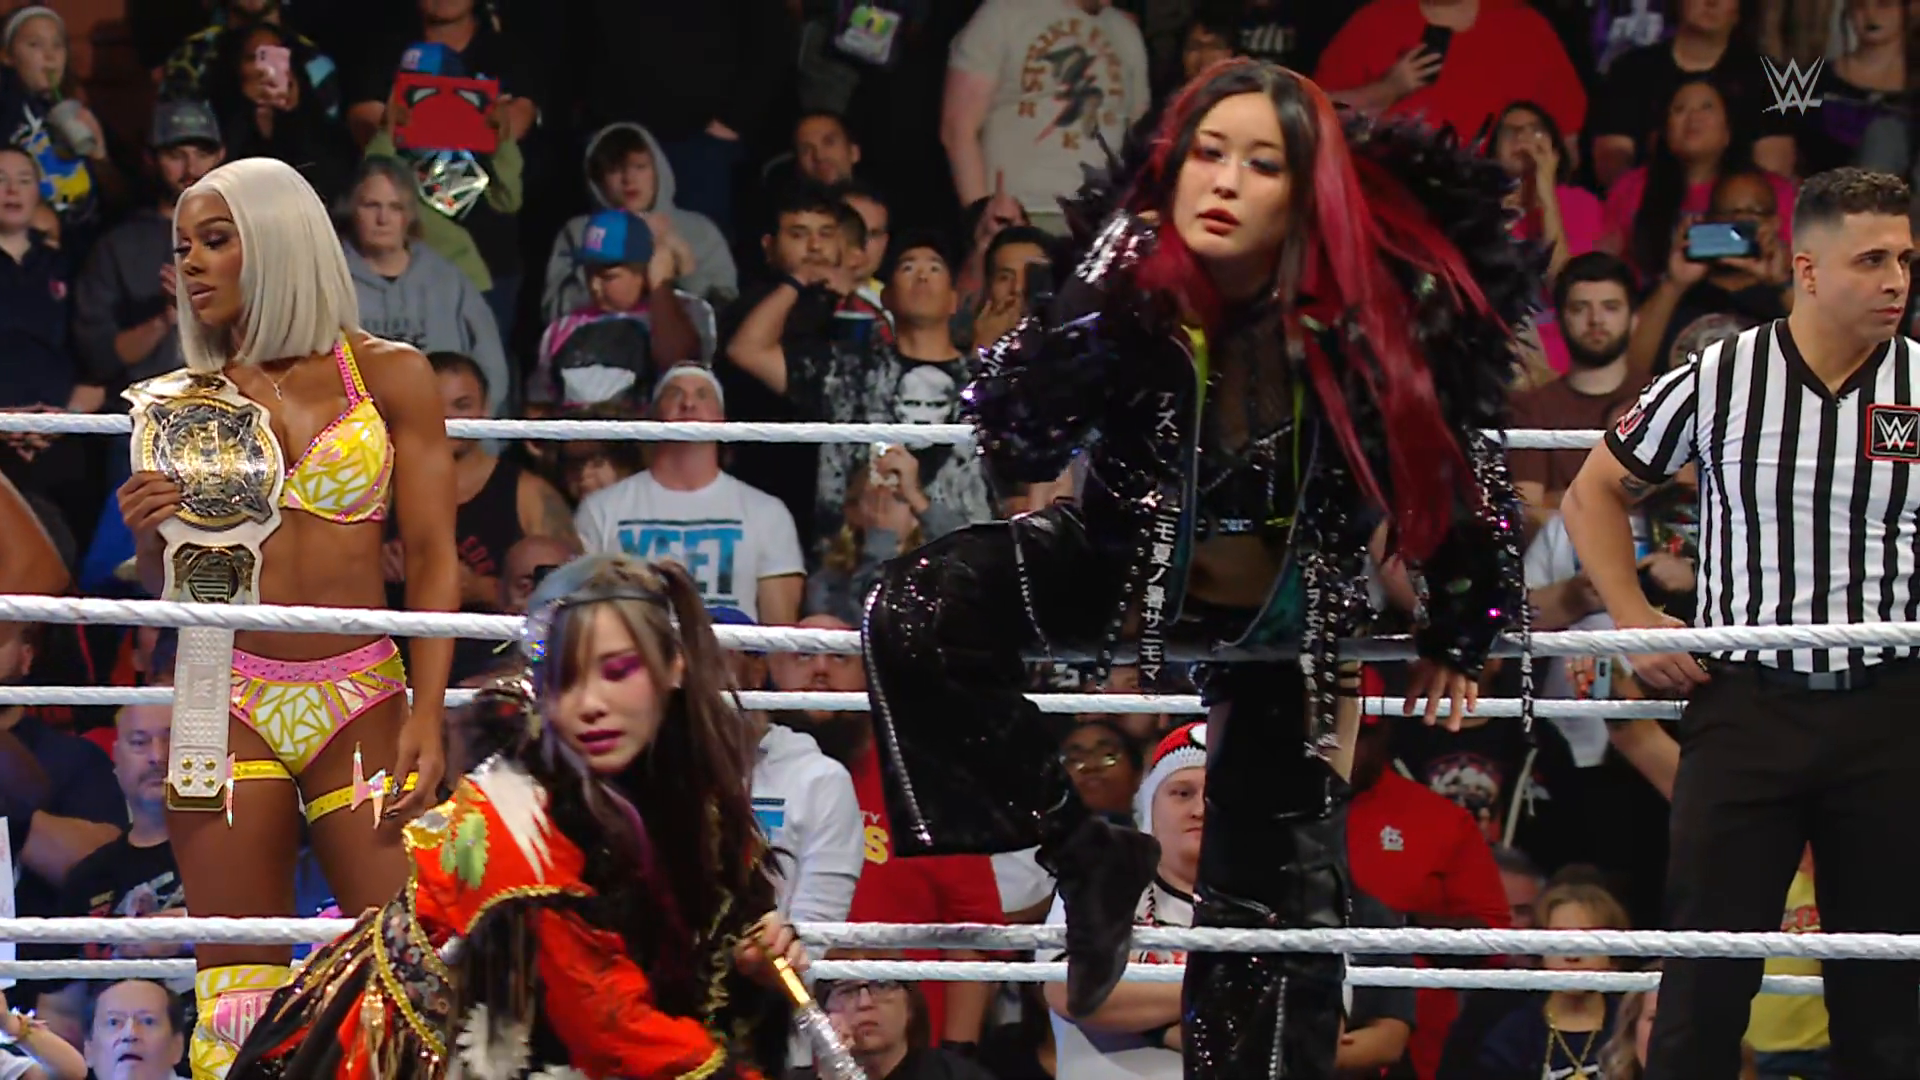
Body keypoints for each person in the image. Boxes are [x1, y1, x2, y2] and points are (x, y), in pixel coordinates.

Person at [861, 58, 1535, 1080]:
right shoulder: (1133, 287)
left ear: (1307, 191)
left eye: (1262, 163)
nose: (1224, 181)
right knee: (913, 608)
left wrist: (1462, 620)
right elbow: (1017, 438)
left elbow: (1458, 455)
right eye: (1207, 153)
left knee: (1271, 918)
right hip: (1118, 564)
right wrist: (1092, 285)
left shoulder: (1376, 316)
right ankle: (1084, 851)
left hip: (1288, 616)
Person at [1561, 166, 1920, 1080]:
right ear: (1807, 269)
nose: (1896, 282)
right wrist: (1636, 620)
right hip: (1747, 705)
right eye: (1872, 260)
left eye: (1906, 260)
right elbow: (1592, 492)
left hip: (1890, 708)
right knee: (1703, 987)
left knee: (1886, 999)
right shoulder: (1721, 375)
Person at [111, 157, 460, 1079]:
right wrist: (147, 536)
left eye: (214, 241)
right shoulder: (182, 402)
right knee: (235, 992)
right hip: (218, 689)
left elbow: (433, 556)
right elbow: (173, 588)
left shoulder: (392, 375)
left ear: (276, 241)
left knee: (408, 977)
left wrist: (429, 711)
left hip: (361, 689)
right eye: (182, 247)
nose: (191, 263)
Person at [229, 554, 804, 1079]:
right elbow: (606, 1027)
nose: (590, 704)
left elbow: (713, 945)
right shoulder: (509, 812)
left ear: (673, 666)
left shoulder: (692, 802)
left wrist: (753, 965)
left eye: (617, 671)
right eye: (565, 680)